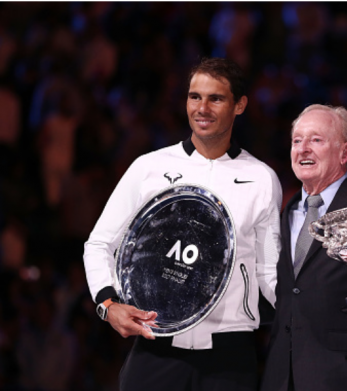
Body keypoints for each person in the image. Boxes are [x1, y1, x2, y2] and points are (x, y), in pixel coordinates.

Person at [83, 57, 282, 391]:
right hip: (155, 349)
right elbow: (100, 244)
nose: (202, 108)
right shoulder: (148, 167)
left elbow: (269, 272)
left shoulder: (261, 178)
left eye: (215, 98)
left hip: (229, 358)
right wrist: (108, 305)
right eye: (194, 96)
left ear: (240, 105)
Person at [260, 104, 347, 391]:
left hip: (346, 375)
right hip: (280, 376)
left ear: (345, 152)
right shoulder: (284, 212)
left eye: (316, 140)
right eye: (297, 141)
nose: (303, 149)